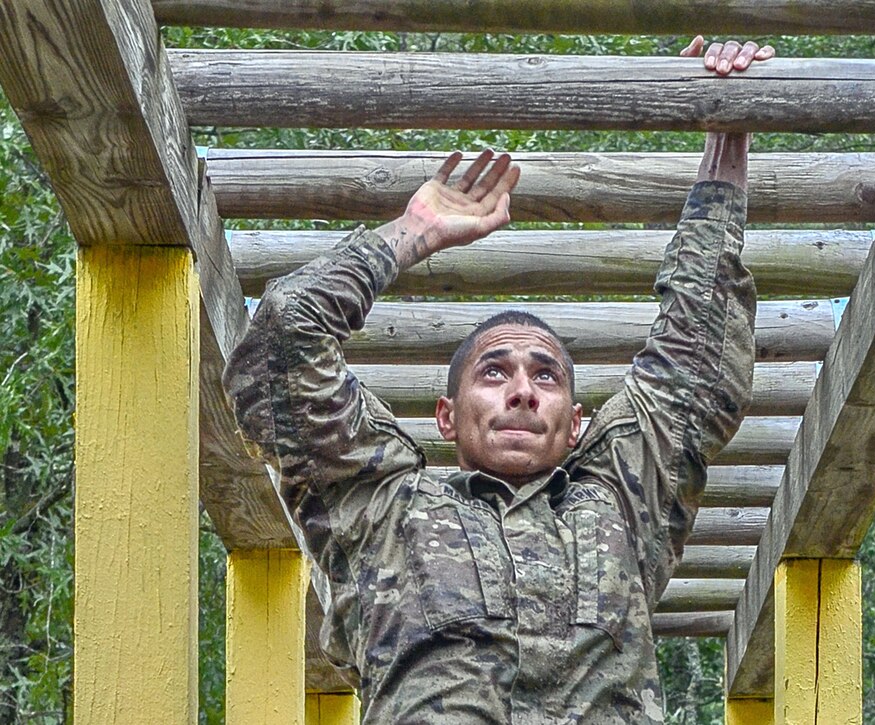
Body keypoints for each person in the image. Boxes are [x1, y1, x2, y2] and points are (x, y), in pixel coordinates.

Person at [224, 37, 773, 724]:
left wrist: (727, 138)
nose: (522, 389)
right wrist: (411, 231)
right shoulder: (380, 507)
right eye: (495, 371)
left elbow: (696, 355)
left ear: (577, 424)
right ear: (447, 416)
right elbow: (282, 338)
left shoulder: (621, 498)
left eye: (545, 374)